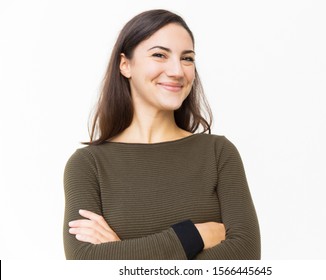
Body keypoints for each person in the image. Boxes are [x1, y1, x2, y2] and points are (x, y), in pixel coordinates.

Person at [63, 9, 260, 260]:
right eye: (159, 55)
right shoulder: (88, 165)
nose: (178, 71)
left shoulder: (218, 153)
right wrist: (193, 236)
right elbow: (85, 263)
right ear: (125, 65)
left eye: (187, 58)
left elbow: (246, 256)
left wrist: (121, 253)